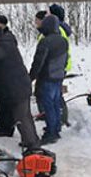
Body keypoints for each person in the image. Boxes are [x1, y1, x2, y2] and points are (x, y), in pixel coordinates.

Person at [29, 15, 68, 145]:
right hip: (58, 77)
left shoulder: (45, 42)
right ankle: (56, 128)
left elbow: (38, 62)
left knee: (48, 105)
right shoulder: (63, 40)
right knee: (56, 104)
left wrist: (31, 77)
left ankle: (51, 132)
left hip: (47, 77)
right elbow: (65, 59)